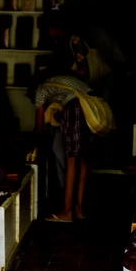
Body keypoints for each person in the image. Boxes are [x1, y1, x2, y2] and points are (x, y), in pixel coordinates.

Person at [35, 34, 94, 222]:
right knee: (82, 159)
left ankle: (67, 212)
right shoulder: (62, 81)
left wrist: (35, 141)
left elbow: (38, 125)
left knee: (70, 161)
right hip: (90, 106)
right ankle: (78, 210)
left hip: (75, 106)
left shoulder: (41, 89)